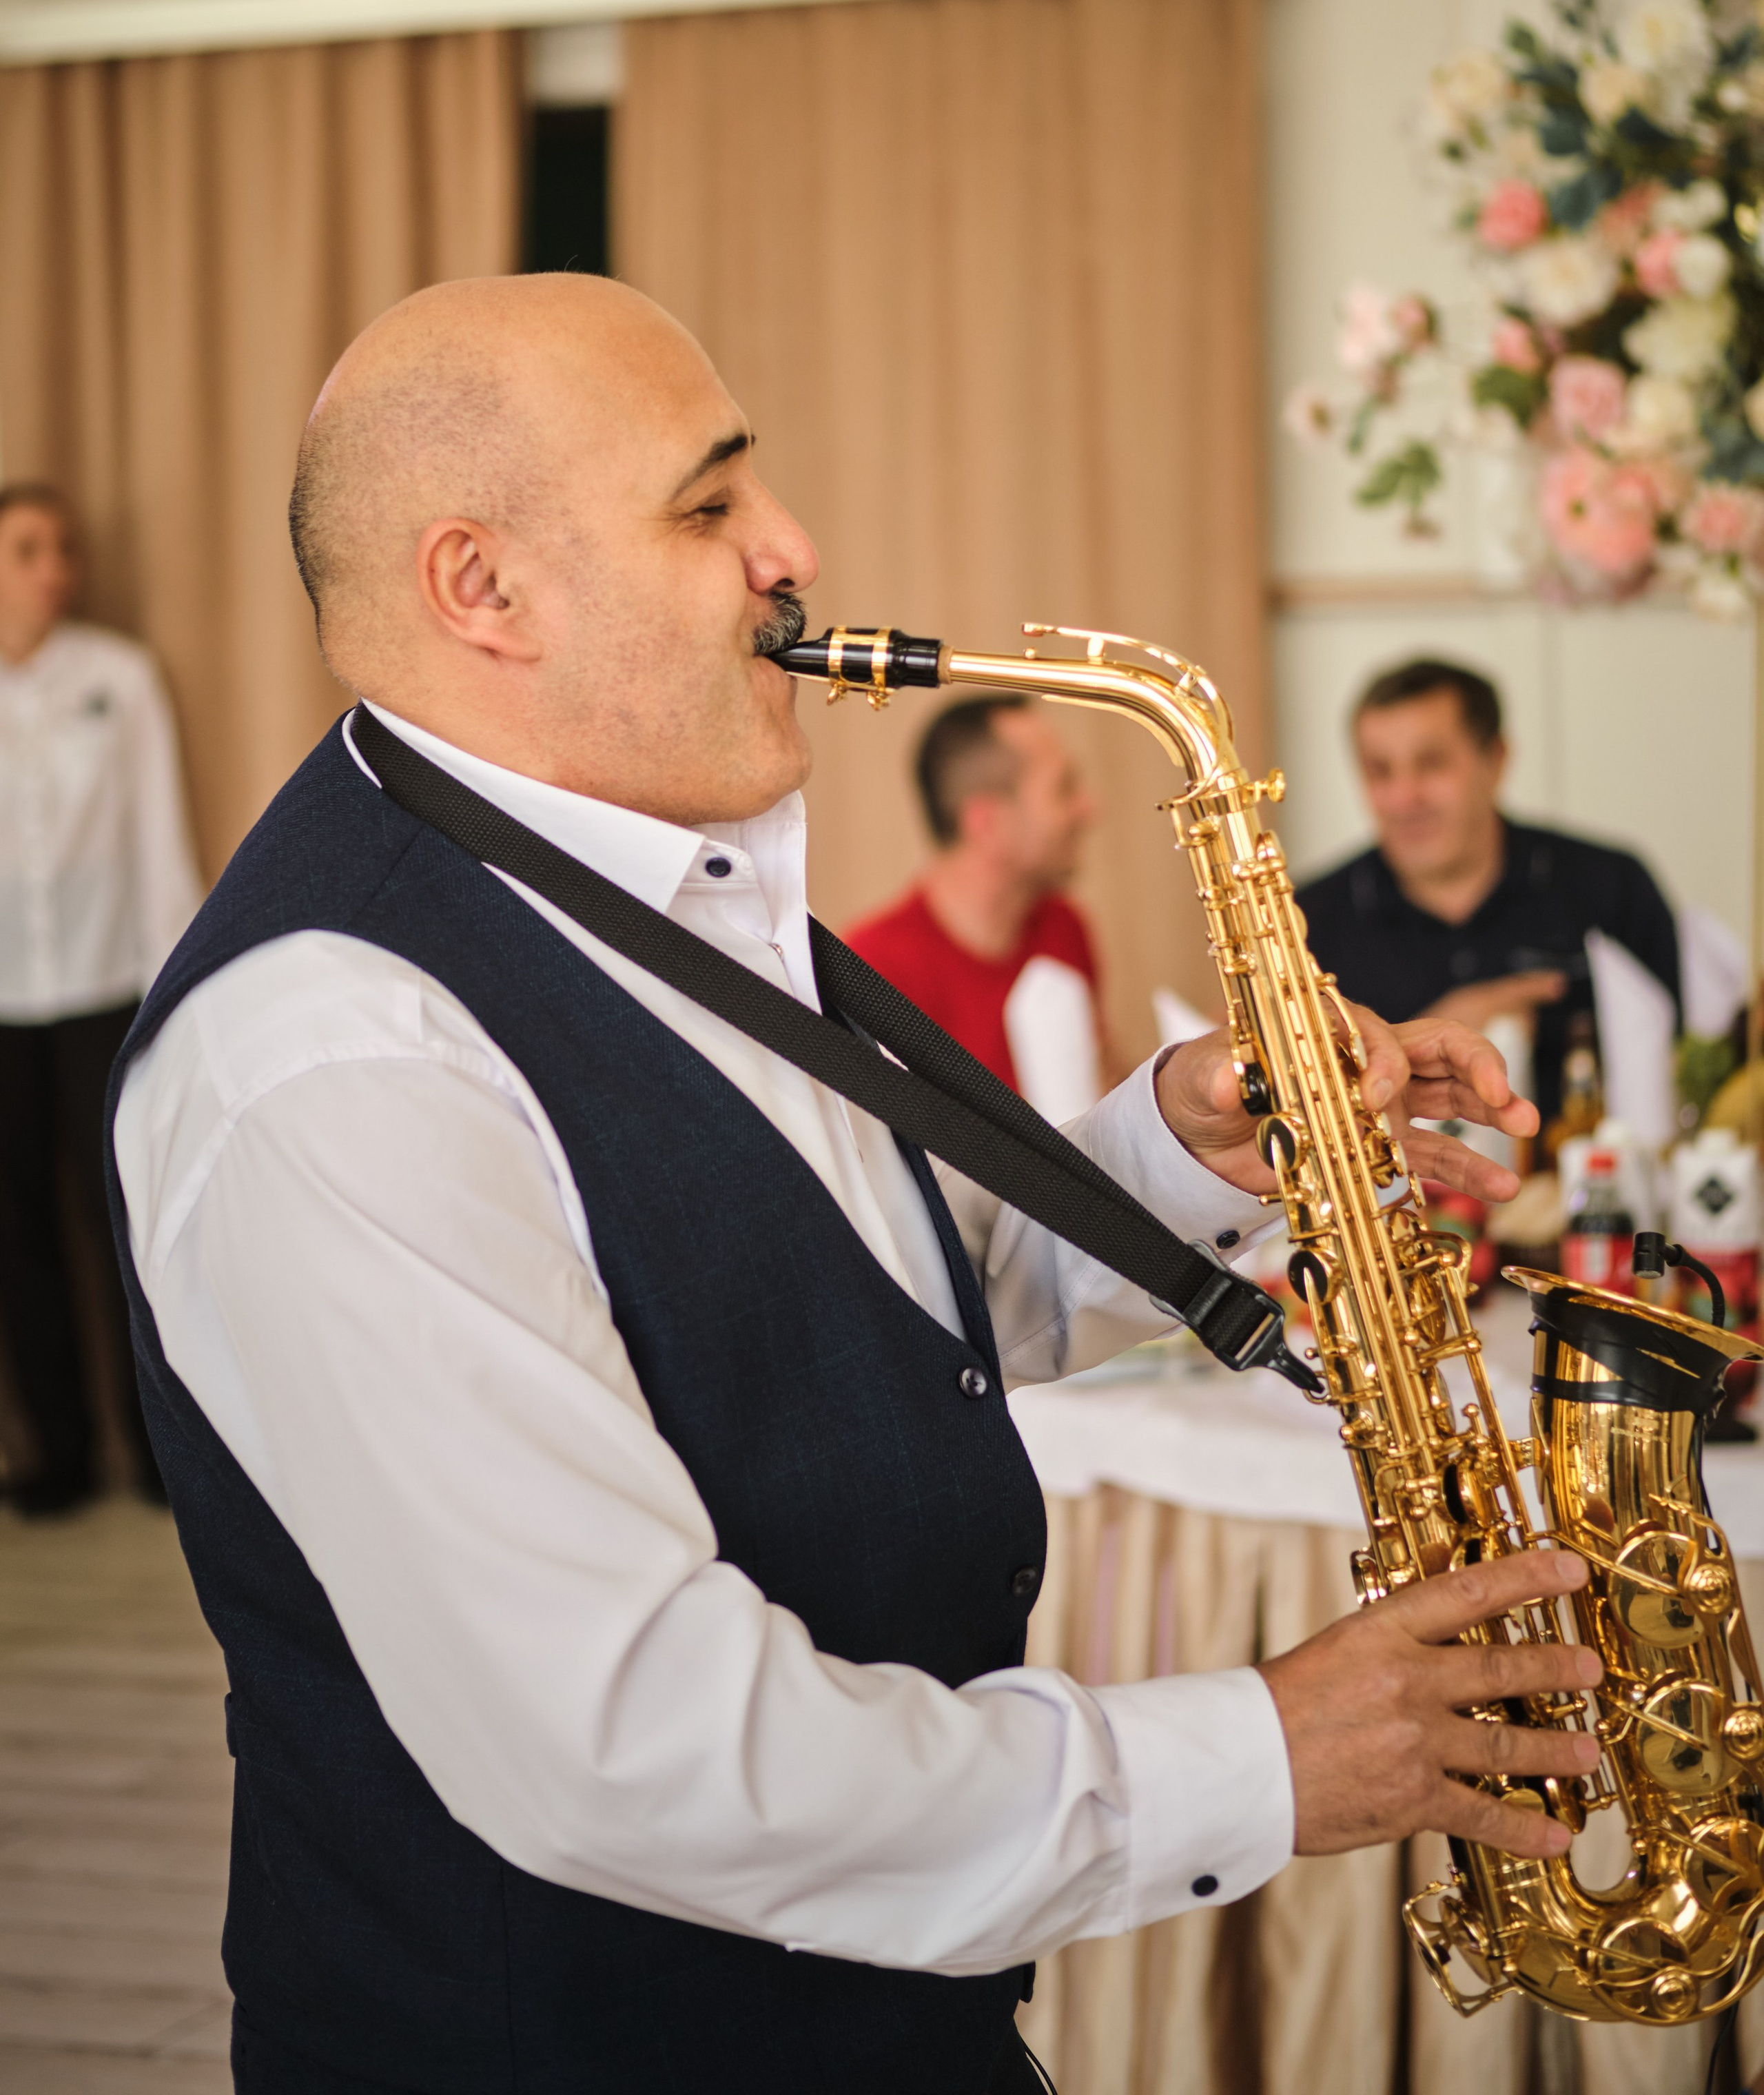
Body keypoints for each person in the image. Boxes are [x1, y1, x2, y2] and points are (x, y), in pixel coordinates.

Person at [108, 278, 1597, 2095]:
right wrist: (1260, 1755)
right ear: (479, 587)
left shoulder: (646, 879)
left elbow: (830, 1304)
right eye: (708, 504)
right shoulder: (331, 1062)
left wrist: (1175, 1151)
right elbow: (634, 1742)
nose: (792, 548)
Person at [0, 482, 201, 1515]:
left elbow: (160, 841)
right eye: (30, 549)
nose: (56, 569)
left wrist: (173, 992)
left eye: (65, 549)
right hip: (4, 1008)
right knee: (16, 1234)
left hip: (104, 995)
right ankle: (61, 1457)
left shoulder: (118, 679)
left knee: (126, 1224)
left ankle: (160, 1453)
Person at [1297, 656, 1680, 1128]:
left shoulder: (1611, 887)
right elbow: (1298, 1111)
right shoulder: (1307, 922)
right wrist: (1432, 1036)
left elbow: (1688, 1070)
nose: (1404, 797)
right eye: (1380, 771)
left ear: (1495, 760)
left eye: (1431, 763)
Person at [847, 695, 1121, 1114]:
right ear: (988, 823)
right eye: (1064, 789)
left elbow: (1098, 1094)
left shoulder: (1064, 928)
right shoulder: (874, 973)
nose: (1090, 808)